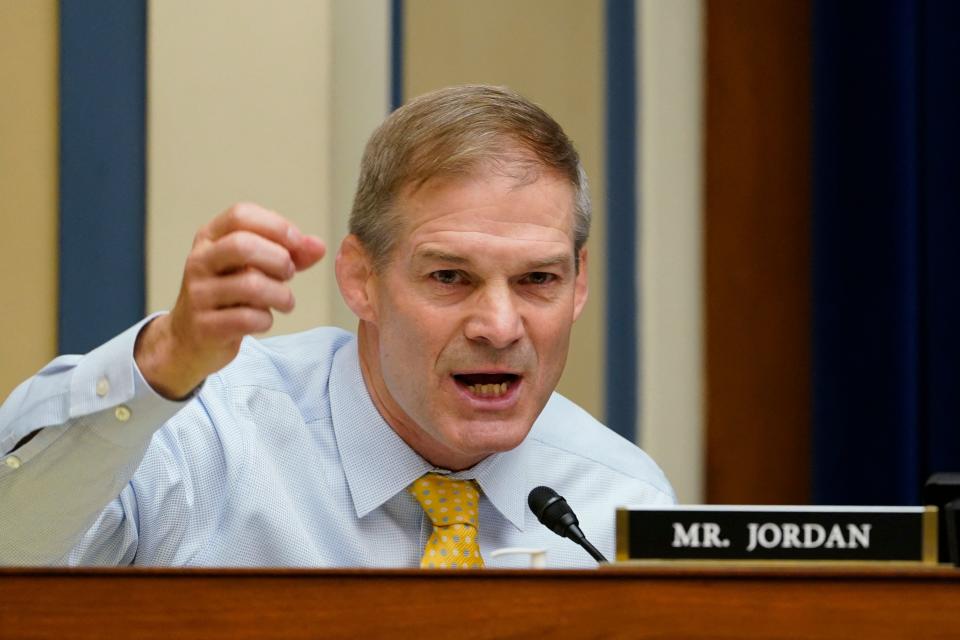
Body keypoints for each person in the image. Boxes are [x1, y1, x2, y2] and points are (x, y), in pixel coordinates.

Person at [0, 85, 673, 567]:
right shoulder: (215, 441)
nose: (499, 326)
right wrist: (168, 358)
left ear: (579, 284)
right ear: (361, 280)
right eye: (448, 277)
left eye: (538, 280)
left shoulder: (618, 500)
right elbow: (14, 542)